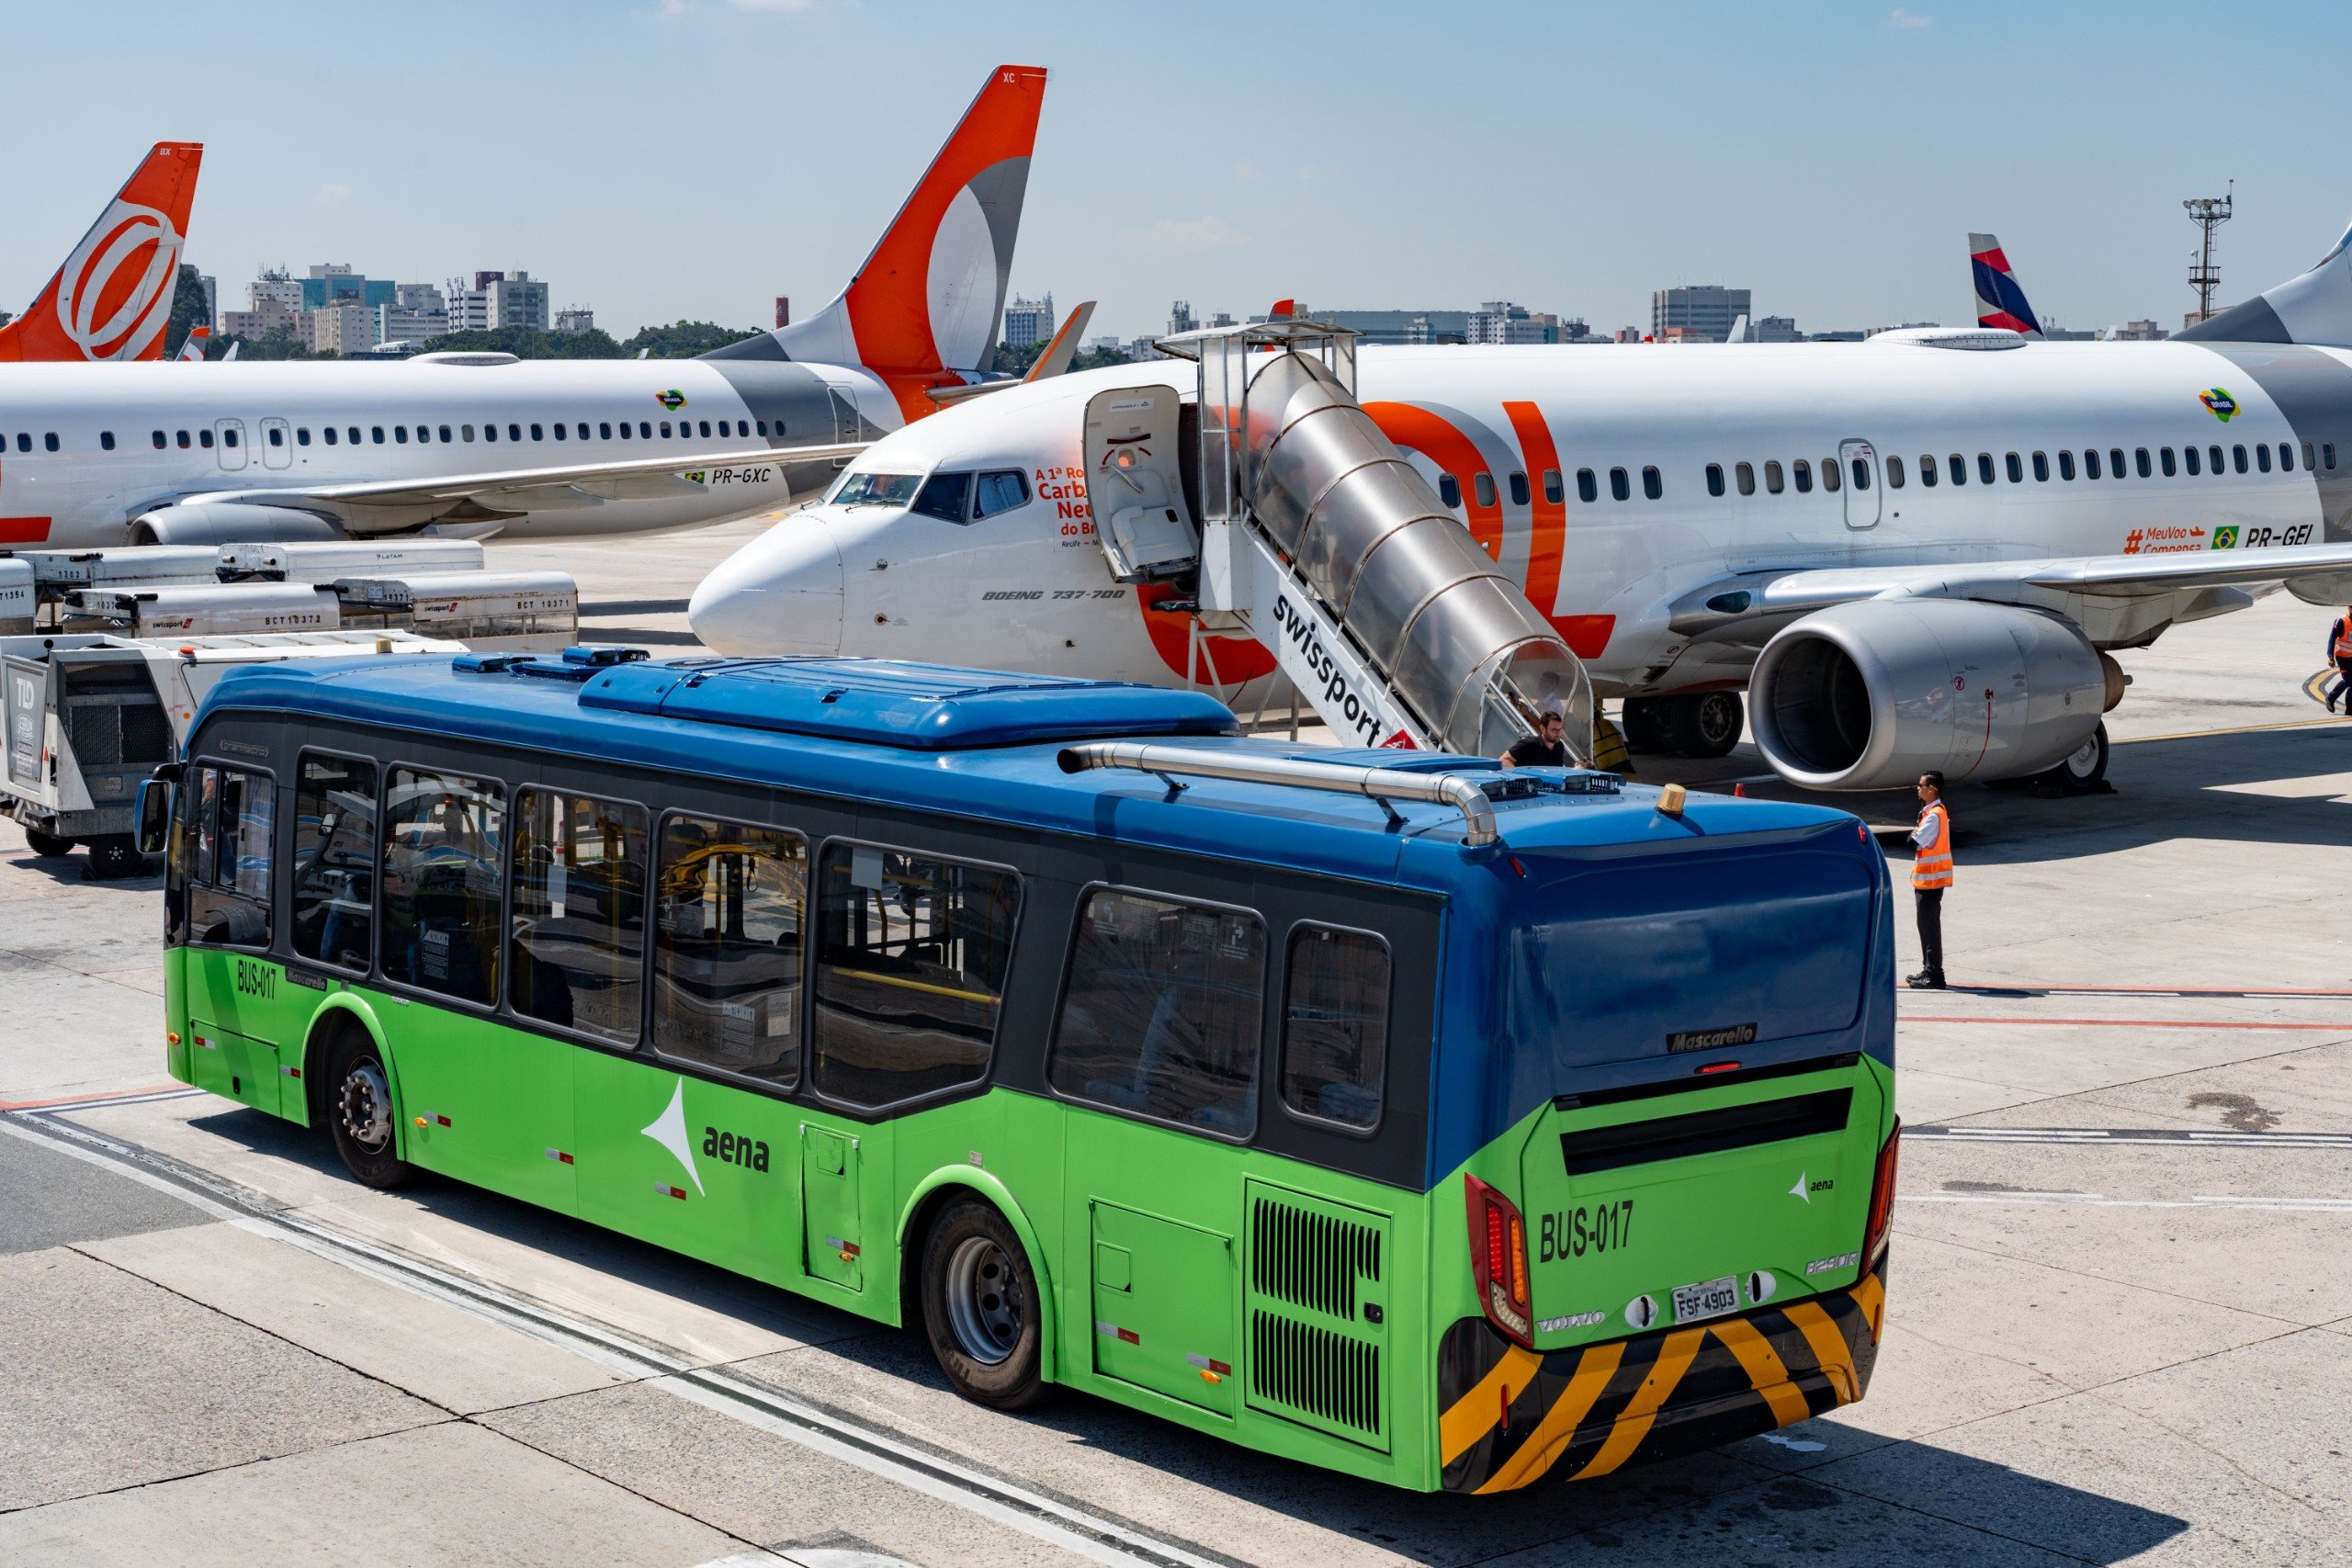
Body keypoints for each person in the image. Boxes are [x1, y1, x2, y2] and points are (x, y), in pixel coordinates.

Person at [1907, 772, 1952, 990]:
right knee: (1925, 926)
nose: (1918, 788)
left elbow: (1913, 840)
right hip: (1927, 880)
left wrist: (1912, 835)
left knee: (1929, 927)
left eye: (1921, 785)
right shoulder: (1932, 813)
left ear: (1931, 789)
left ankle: (1935, 975)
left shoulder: (1934, 815)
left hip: (1931, 880)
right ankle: (1928, 969)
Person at [1501, 710, 1569, 769]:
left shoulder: (1559, 746)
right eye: (1554, 730)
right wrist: (1520, 777)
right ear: (1543, 729)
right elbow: (1503, 760)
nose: (1559, 733)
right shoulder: (1529, 744)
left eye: (1560, 729)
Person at [2324, 607, 2352, 713]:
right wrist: (2330, 657)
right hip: (2342, 656)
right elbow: (2332, 638)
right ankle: (2330, 698)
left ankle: (2350, 709)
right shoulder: (2341, 621)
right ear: (2349, 608)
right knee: (2348, 680)